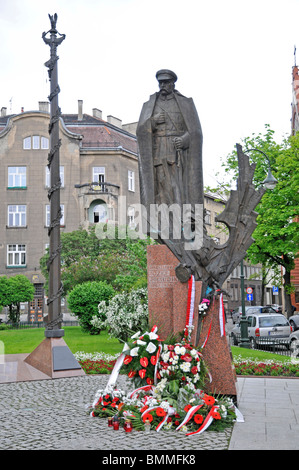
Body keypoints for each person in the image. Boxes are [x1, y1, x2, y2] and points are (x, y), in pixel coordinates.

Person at [136, 69, 204, 219]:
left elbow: (196, 131)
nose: (162, 86)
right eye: (160, 83)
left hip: (177, 152)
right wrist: (153, 122)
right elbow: (140, 131)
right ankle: (163, 219)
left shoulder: (185, 103)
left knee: (177, 187)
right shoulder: (150, 105)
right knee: (161, 184)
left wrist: (185, 140)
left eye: (166, 82)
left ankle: (181, 218)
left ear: (173, 84)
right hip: (159, 150)